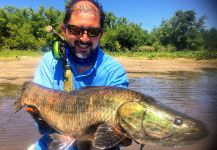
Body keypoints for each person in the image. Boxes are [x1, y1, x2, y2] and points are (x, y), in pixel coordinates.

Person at [28, 0, 129, 149]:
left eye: (93, 32)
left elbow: (117, 136)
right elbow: (44, 129)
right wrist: (39, 118)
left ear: (101, 34)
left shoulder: (114, 72)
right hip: (53, 142)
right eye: (76, 30)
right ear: (64, 30)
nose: (84, 39)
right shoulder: (50, 62)